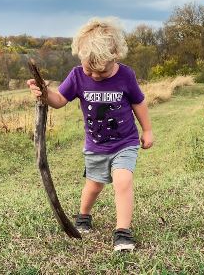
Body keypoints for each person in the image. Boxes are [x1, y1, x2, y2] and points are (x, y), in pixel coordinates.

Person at [27, 17, 153, 251]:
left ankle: (123, 232)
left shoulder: (126, 76)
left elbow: (139, 103)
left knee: (122, 181)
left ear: (115, 55)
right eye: (89, 69)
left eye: (101, 72)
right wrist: (44, 92)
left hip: (125, 142)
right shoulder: (77, 76)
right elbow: (59, 100)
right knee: (94, 185)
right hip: (96, 146)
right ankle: (84, 215)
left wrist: (147, 130)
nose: (94, 76)